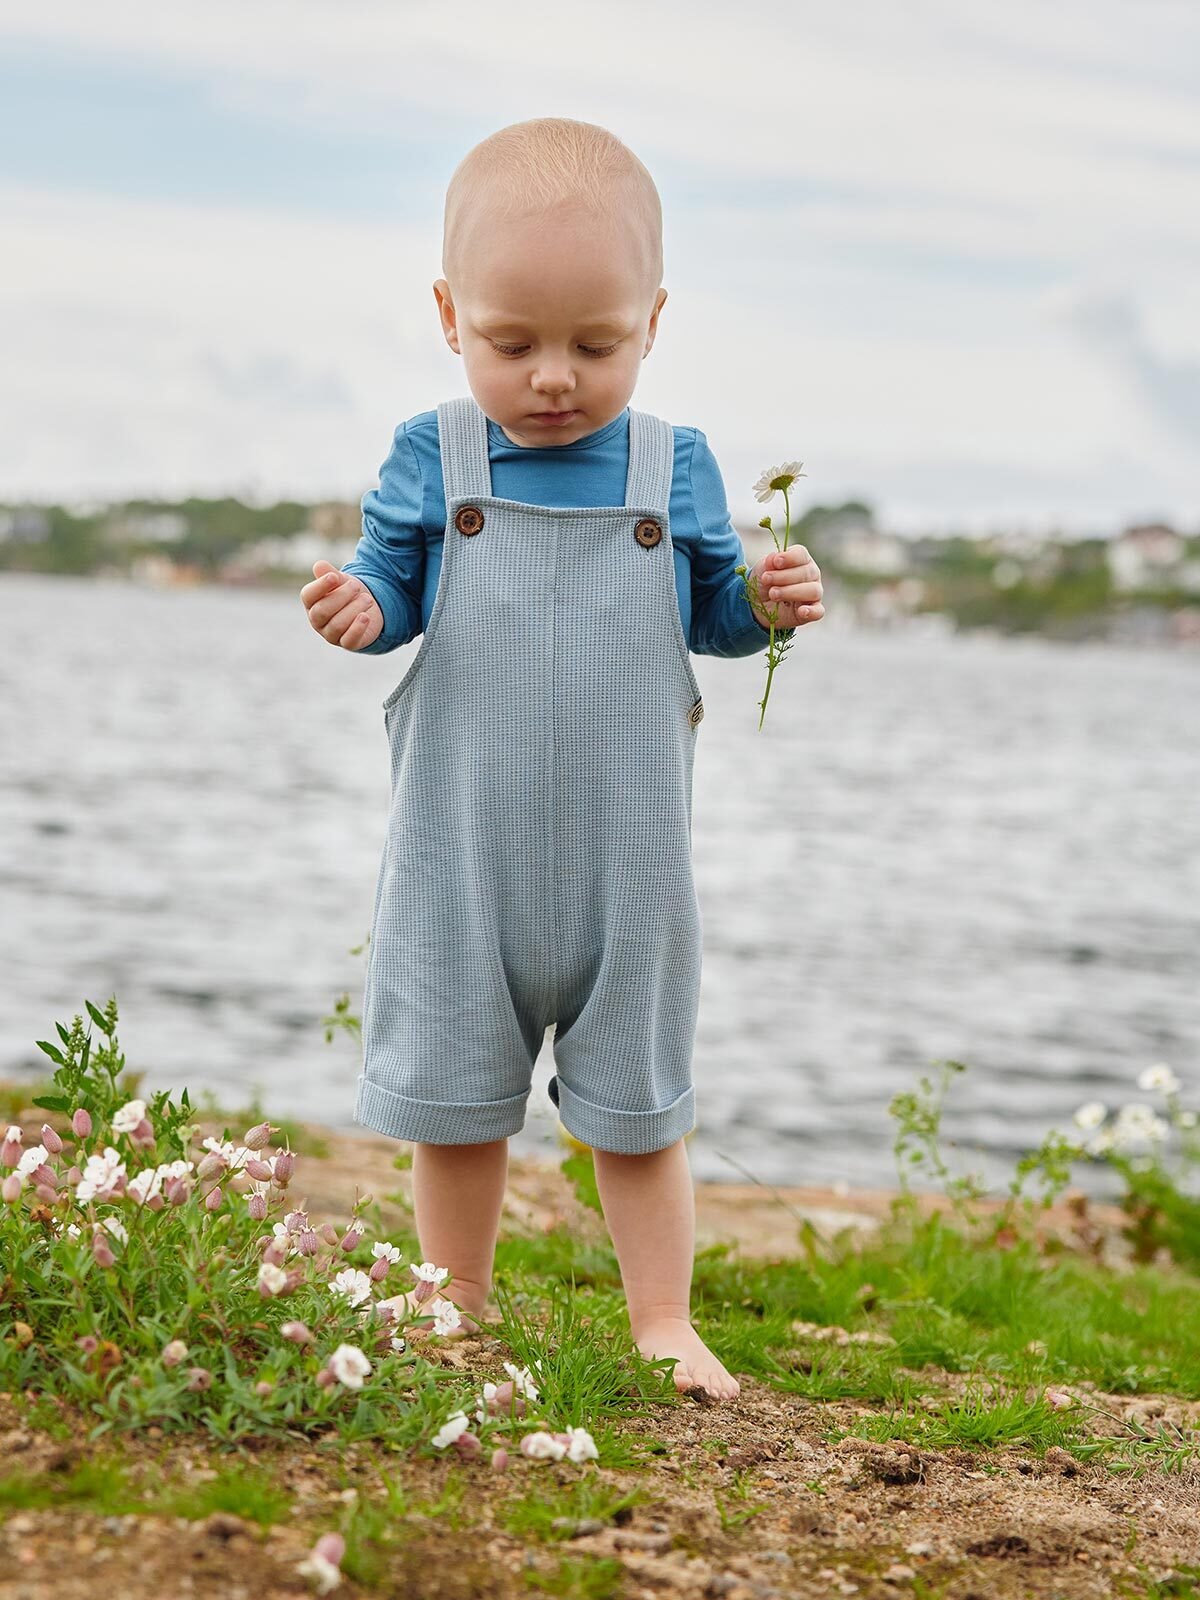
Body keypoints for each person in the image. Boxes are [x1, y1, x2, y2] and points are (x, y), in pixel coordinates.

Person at [301, 118, 824, 1402]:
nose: (551, 378)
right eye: (512, 342)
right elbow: (394, 587)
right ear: (449, 317)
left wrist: (763, 604)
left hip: (626, 871)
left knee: (640, 1109)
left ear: (652, 321)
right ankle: (456, 1304)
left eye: (594, 346)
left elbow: (708, 618)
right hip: (459, 862)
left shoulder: (671, 466)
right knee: (456, 1107)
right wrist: (365, 608)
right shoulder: (434, 456)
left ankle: (663, 1319)